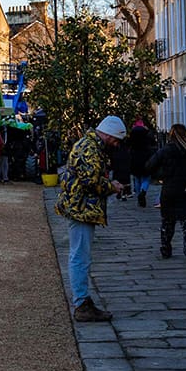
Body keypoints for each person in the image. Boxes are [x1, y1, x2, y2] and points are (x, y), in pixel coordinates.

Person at [54, 115, 125, 322]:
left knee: (80, 255)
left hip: (80, 206)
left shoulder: (88, 144)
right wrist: (113, 186)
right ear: (109, 134)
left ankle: (82, 300)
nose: (116, 144)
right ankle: (81, 303)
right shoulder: (90, 148)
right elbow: (90, 181)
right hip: (82, 207)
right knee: (80, 257)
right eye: (115, 139)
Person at [145, 124, 186, 262]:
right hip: (185, 189)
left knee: (168, 221)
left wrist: (162, 175)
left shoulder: (165, 151)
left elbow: (149, 166)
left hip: (169, 189)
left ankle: (165, 248)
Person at [128, 120, 156, 208]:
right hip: (145, 159)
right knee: (146, 178)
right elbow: (153, 143)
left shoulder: (132, 141)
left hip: (135, 160)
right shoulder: (146, 139)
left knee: (137, 178)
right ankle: (143, 191)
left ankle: (139, 193)